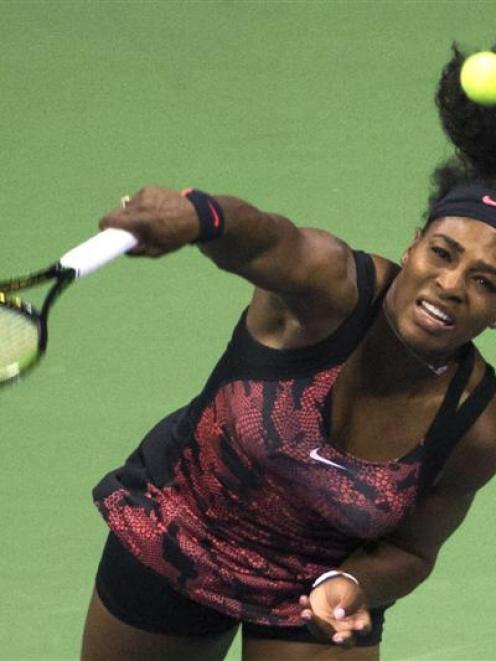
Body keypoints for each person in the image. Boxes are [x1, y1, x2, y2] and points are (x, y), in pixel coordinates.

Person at [81, 45, 496, 661]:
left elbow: (412, 550)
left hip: (312, 585)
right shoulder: (332, 289)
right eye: (443, 253)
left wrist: (353, 584)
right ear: (413, 246)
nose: (451, 285)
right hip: (182, 529)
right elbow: (269, 240)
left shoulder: (478, 424)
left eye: (487, 280)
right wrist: (202, 216)